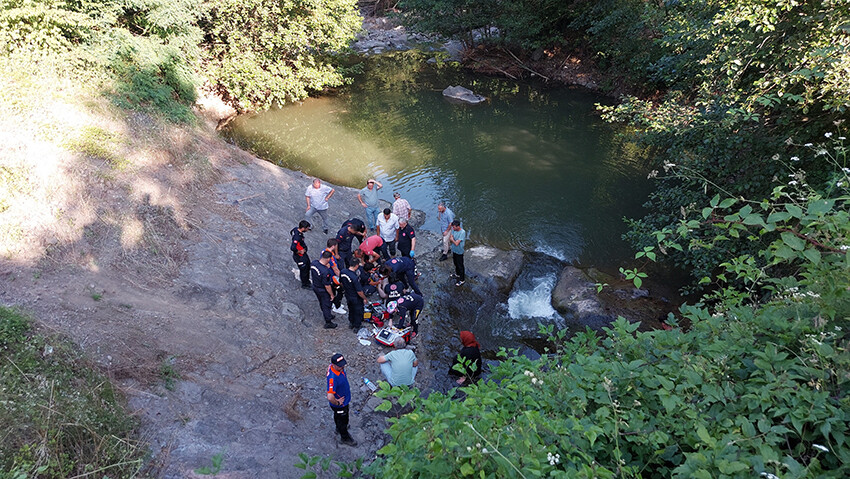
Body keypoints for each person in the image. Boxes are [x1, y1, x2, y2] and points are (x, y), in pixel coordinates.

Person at [327, 353, 357, 446]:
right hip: (340, 405)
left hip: (343, 401)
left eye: (343, 365)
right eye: (340, 366)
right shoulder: (333, 378)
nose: (342, 367)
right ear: (334, 365)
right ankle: (345, 437)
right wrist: (338, 403)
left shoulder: (334, 368)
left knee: (339, 417)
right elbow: (330, 396)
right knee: (343, 420)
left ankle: (338, 428)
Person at [339, 258, 369, 330]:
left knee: (351, 309)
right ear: (356, 266)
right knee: (358, 311)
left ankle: (351, 322)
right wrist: (364, 298)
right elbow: (359, 292)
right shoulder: (355, 278)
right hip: (355, 297)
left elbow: (341, 282)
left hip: (348, 295)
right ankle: (357, 326)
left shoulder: (343, 272)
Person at [310, 251, 338, 329]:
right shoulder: (325, 272)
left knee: (321, 302)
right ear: (328, 259)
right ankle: (328, 321)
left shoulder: (314, 263)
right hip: (322, 289)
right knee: (326, 304)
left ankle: (328, 315)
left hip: (315, 286)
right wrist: (331, 295)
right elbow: (327, 286)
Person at [324, 239, 347, 315]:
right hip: (332, 277)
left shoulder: (324, 252)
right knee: (340, 290)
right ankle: (337, 306)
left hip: (329, 276)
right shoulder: (331, 257)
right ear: (333, 246)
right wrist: (342, 278)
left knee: (333, 291)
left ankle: (334, 303)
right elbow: (335, 269)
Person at [290, 220, 312, 289]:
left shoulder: (296, 229)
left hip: (303, 255)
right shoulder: (297, 237)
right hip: (300, 257)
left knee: (308, 266)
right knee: (304, 269)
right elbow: (293, 247)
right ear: (303, 228)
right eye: (307, 228)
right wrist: (299, 251)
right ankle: (305, 284)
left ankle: (307, 281)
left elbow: (291, 232)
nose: (307, 229)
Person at [449, 219, 466, 286]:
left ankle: (462, 280)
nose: (453, 228)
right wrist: (453, 240)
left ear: (458, 226)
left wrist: (452, 240)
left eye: (454, 227)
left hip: (459, 251)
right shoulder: (454, 230)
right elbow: (451, 237)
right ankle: (457, 274)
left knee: (460, 265)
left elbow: (456, 243)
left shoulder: (462, 232)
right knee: (455, 263)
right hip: (454, 250)